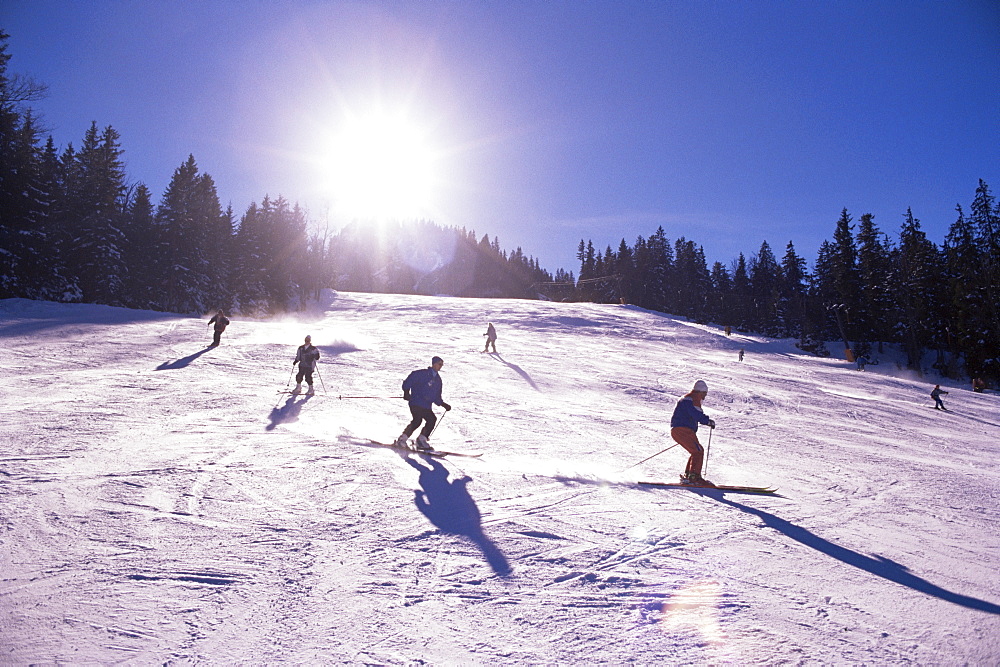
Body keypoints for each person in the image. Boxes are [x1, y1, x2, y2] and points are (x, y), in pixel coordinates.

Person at [396, 356, 452, 450]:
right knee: (417, 420)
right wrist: (406, 392)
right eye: (439, 364)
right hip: (416, 401)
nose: (440, 366)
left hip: (426, 405)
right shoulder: (422, 374)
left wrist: (443, 404)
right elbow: (409, 380)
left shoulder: (438, 380)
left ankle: (421, 440)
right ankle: (402, 439)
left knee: (432, 419)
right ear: (434, 364)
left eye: (442, 364)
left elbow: (436, 397)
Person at [670, 380, 717, 486]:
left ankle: (689, 476)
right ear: (700, 391)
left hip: (680, 429)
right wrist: (708, 421)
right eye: (705, 393)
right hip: (683, 429)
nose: (705, 396)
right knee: (698, 451)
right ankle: (694, 477)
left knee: (696, 450)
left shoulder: (688, 398)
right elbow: (696, 414)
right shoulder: (693, 398)